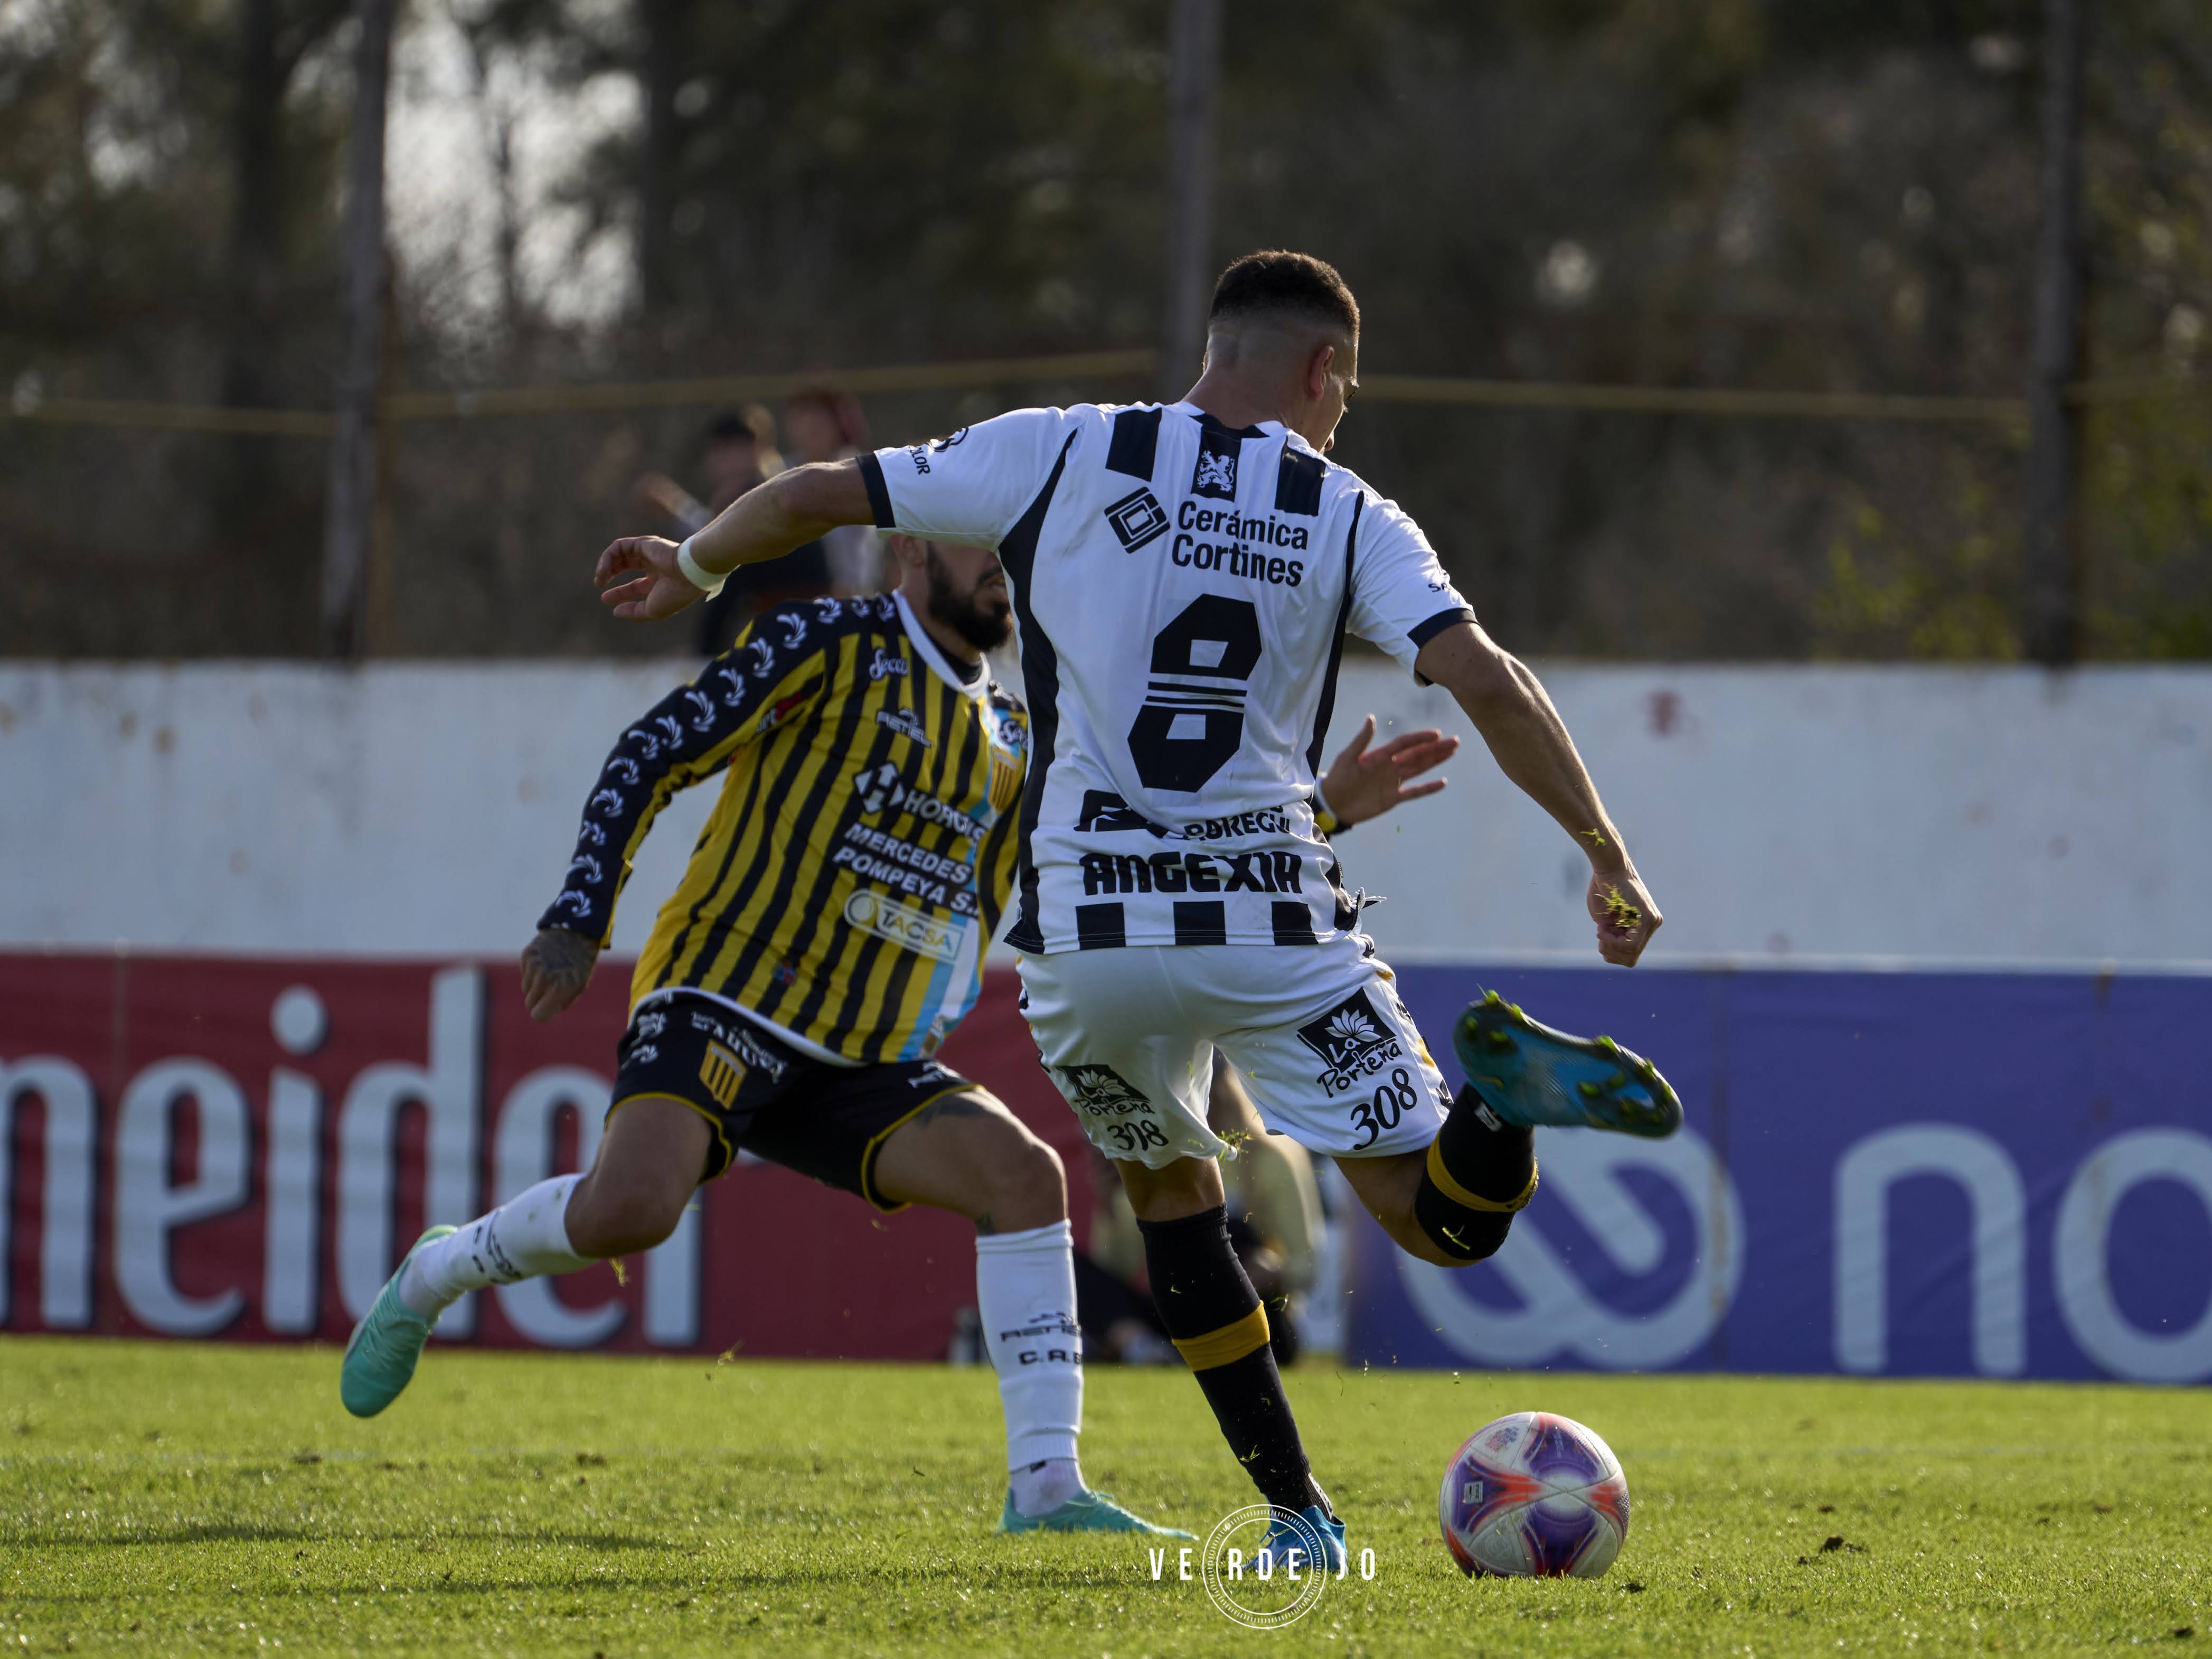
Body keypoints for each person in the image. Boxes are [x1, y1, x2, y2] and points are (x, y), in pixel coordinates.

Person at [585, 249, 1678, 1573]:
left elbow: (818, 490)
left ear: (1215, 350)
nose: (1341, 414)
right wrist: (1604, 852)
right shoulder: (1347, 513)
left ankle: (1299, 1517)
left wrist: (697, 562)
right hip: (1272, 923)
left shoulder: (1057, 448)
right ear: (1322, 369)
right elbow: (1487, 680)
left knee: (1170, 1198)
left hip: (1088, 940)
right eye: (1345, 391)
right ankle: (1497, 1108)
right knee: (1444, 1219)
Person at [338, 521, 1452, 1538]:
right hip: (728, 996)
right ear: (909, 550)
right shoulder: (824, 643)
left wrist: (1319, 812)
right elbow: (653, 750)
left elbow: (1129, 868)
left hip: (869, 1056)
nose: (1003, 575)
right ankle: (437, 1272)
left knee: (1024, 1177)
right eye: (981, 550)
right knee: (628, 1209)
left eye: (1014, 557)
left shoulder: (1016, 733)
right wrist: (581, 913)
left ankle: (1046, 1487)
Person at [675, 408, 834, 655]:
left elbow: (729, 585)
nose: (722, 462)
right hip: (783, 626)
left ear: (756, 450)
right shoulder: (753, 499)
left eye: (732, 450)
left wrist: (703, 653)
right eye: (717, 452)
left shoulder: (766, 501)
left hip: (797, 627)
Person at [784, 388, 889, 596]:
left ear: (837, 424)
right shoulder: (781, 472)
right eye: (802, 420)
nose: (810, 429)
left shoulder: (860, 472)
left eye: (819, 422)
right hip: (794, 593)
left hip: (853, 595)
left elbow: (863, 548)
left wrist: (850, 589)